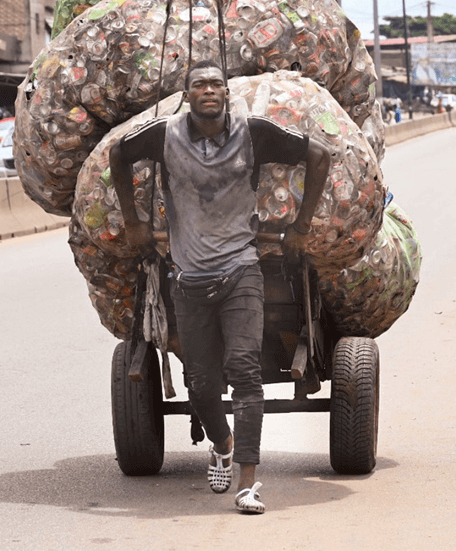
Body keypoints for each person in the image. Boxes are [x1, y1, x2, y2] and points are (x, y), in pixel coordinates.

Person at [110, 60, 330, 515]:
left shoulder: (253, 132)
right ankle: (223, 444)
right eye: (199, 85)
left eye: (216, 84)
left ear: (226, 94)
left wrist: (303, 224)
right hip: (188, 278)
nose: (208, 91)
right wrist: (132, 223)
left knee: (243, 371)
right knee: (202, 384)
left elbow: (319, 155)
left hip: (241, 271)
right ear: (186, 95)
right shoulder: (164, 135)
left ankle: (247, 483)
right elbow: (117, 154)